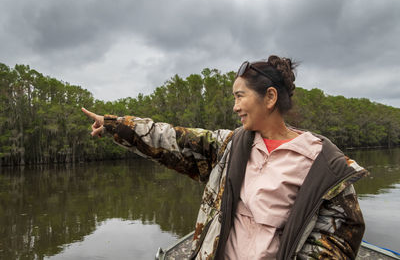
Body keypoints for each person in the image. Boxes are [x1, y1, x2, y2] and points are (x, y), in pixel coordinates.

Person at [82, 55, 367, 260]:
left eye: (240, 96)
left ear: (269, 98)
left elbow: (338, 241)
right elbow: (173, 140)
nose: (234, 107)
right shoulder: (230, 147)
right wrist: (115, 125)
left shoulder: (325, 166)